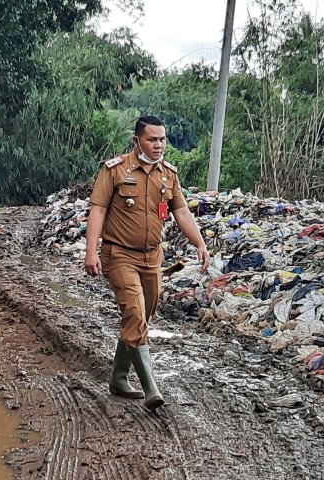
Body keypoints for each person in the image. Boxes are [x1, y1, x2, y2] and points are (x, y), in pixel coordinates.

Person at [85, 115, 210, 410]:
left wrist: (200, 244)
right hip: (119, 255)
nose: (158, 145)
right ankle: (151, 387)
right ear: (137, 141)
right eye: (152, 139)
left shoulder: (168, 174)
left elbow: (181, 213)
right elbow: (98, 210)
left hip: (153, 258)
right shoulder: (115, 170)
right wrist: (91, 251)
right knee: (134, 314)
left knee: (141, 317)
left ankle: (118, 377)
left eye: (162, 139)